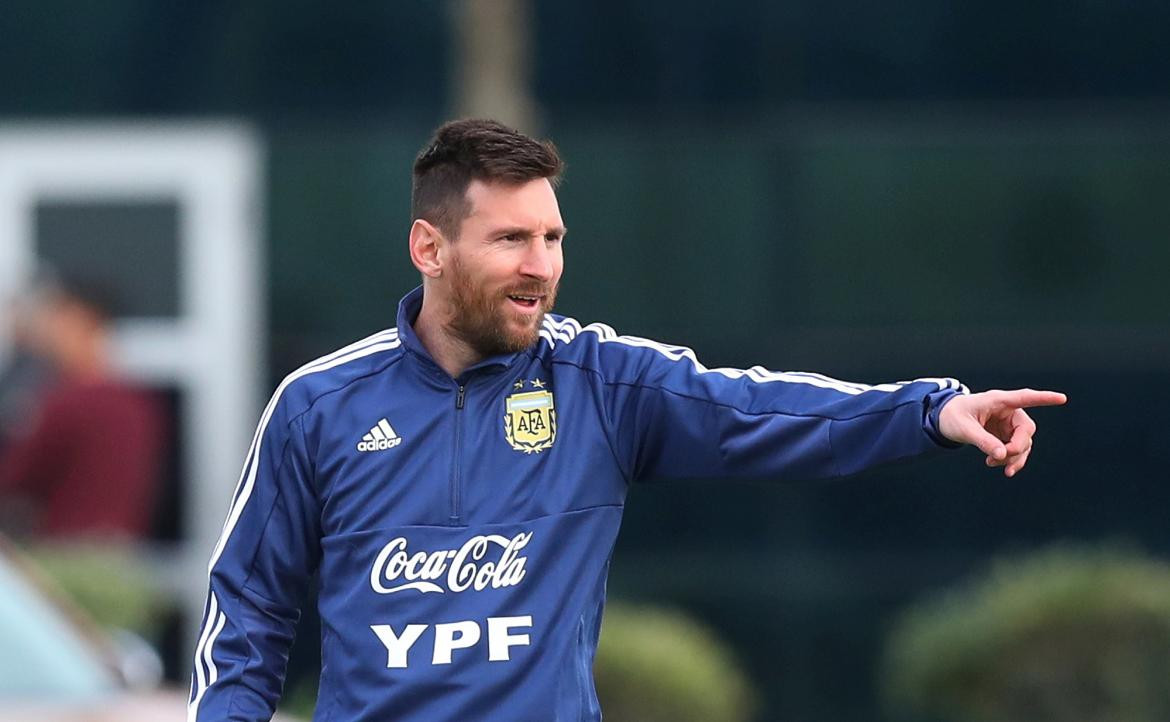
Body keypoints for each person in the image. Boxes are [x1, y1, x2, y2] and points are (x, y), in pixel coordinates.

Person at [188, 119, 1066, 721]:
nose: (542, 265)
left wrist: (932, 410)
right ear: (429, 248)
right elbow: (249, 610)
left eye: (554, 238)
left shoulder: (599, 381)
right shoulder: (318, 404)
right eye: (510, 240)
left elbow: (759, 408)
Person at [0, 277, 166, 540]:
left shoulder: (70, 401)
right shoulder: (137, 406)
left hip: (67, 563)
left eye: (56, 317)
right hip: (119, 563)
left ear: (81, 321)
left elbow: (15, 478)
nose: (47, 331)